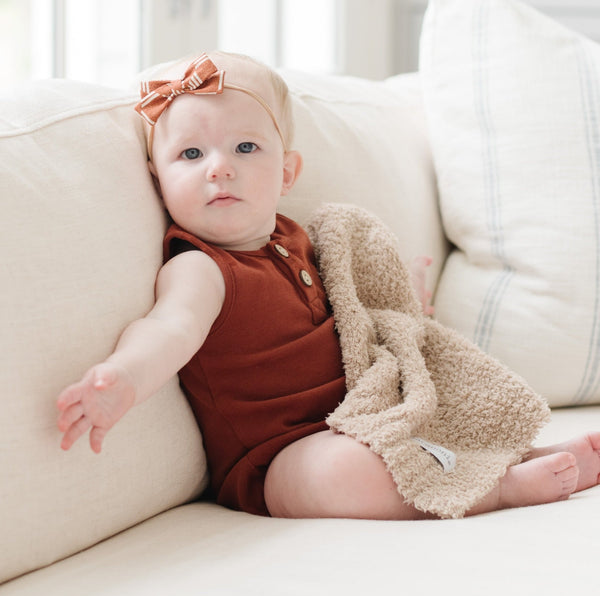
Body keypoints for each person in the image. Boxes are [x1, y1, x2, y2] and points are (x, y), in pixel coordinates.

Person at [57, 51, 600, 519]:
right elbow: (169, 327)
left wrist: (402, 304)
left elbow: (361, 309)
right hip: (278, 455)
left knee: (433, 422)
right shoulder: (201, 265)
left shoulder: (307, 241)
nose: (219, 169)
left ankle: (513, 456)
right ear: (159, 182)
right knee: (343, 468)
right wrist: (126, 378)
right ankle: (497, 491)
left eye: (245, 148)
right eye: (191, 155)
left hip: (367, 414)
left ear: (287, 173)